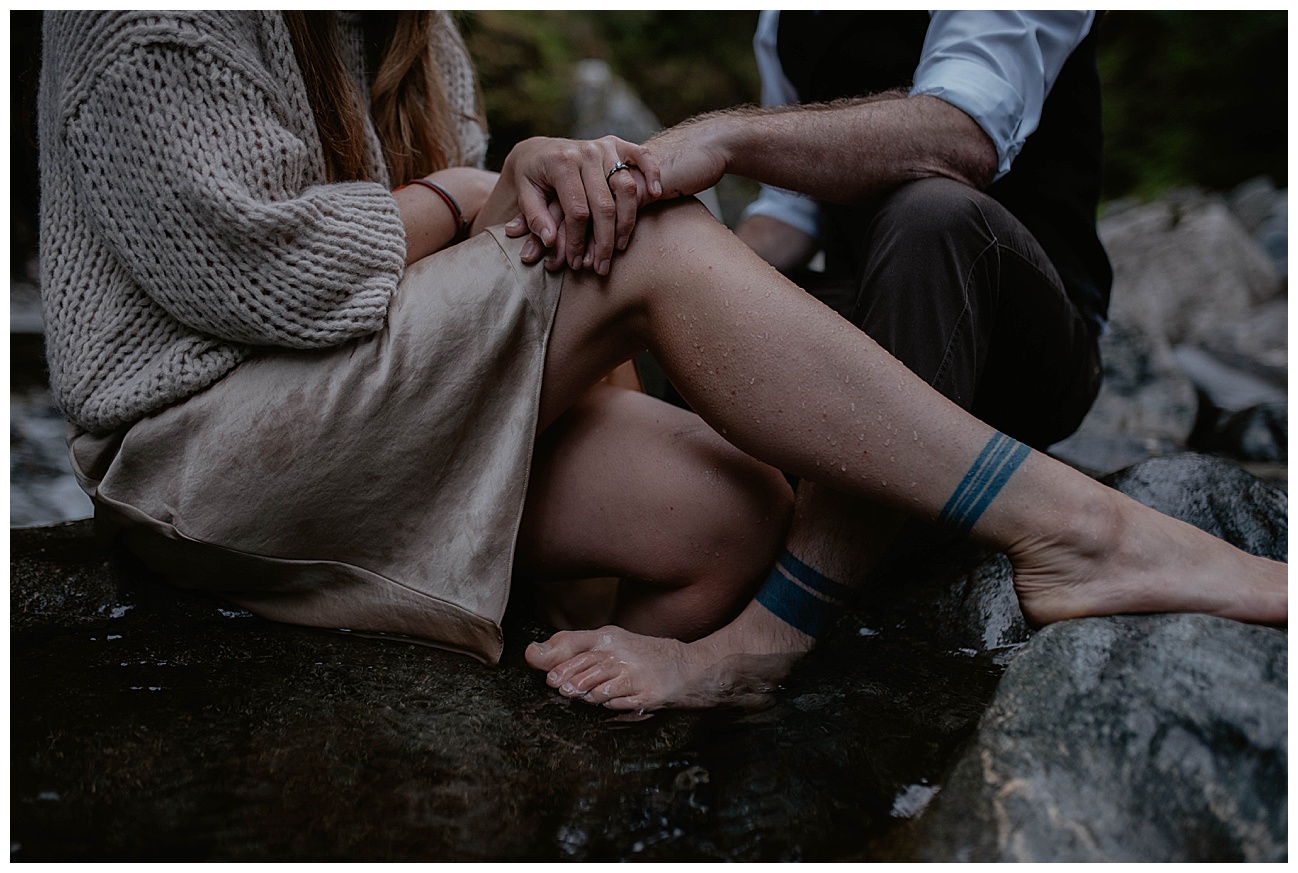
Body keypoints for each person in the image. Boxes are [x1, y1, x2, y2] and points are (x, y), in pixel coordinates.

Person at [41, 12, 1282, 703]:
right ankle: (1081, 532)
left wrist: (676, 252)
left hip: (1018, 305)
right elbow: (259, 275)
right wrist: (509, 202)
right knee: (644, 240)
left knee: (722, 508)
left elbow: (959, 136)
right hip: (196, 445)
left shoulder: (411, 29)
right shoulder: (156, 22)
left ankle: (577, 740)